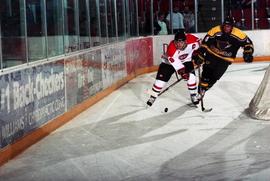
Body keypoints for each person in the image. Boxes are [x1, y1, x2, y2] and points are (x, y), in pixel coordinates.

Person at [193, 16, 254, 98]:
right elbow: (205, 42)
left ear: (232, 26)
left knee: (215, 77)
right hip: (211, 55)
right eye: (225, 25)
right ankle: (200, 92)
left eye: (228, 26)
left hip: (225, 59)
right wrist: (200, 54)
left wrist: (248, 53)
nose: (226, 28)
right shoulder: (215, 30)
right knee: (206, 74)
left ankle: (204, 89)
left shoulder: (238, 34)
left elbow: (248, 44)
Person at [147, 31, 201, 106]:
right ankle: (153, 96)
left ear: (185, 41)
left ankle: (193, 95)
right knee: (160, 82)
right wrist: (183, 73)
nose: (178, 45)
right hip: (168, 63)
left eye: (180, 42)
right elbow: (177, 64)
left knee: (191, 78)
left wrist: (199, 56)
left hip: (186, 61)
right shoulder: (171, 49)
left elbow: (201, 46)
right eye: (176, 42)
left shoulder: (193, 40)